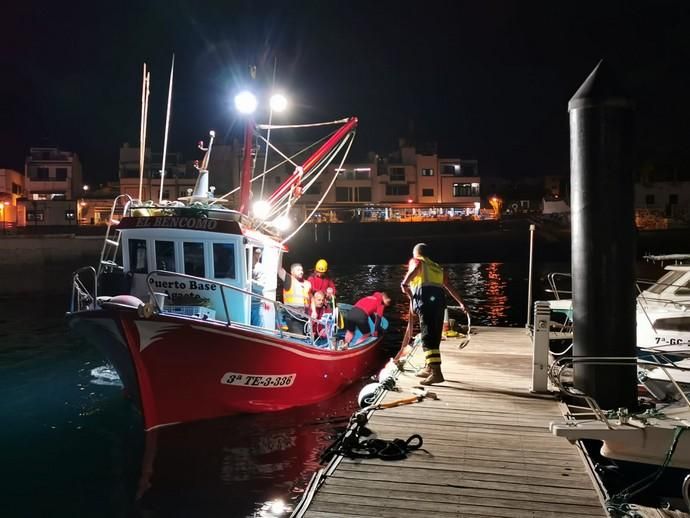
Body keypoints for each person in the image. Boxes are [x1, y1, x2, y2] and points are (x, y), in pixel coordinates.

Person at [400, 242, 465, 386]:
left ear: (416, 253)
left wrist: (404, 283)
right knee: (434, 337)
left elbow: (415, 268)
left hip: (425, 303)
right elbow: (449, 287)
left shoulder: (417, 261)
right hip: (439, 304)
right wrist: (462, 303)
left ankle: (437, 373)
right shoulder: (436, 267)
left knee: (427, 338)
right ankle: (429, 368)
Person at [278, 262, 312, 334]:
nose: (301, 272)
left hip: (304, 316)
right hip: (292, 316)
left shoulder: (307, 283)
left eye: (302, 270)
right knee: (299, 337)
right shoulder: (289, 279)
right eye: (298, 270)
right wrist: (281, 252)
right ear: (292, 272)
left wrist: (314, 311)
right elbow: (279, 270)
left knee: (307, 337)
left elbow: (311, 298)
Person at [250, 248, 266, 327]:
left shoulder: (261, 268)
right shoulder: (242, 265)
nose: (258, 255)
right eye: (256, 252)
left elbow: (262, 287)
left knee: (258, 330)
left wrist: (249, 281)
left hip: (256, 304)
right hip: (243, 301)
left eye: (259, 253)